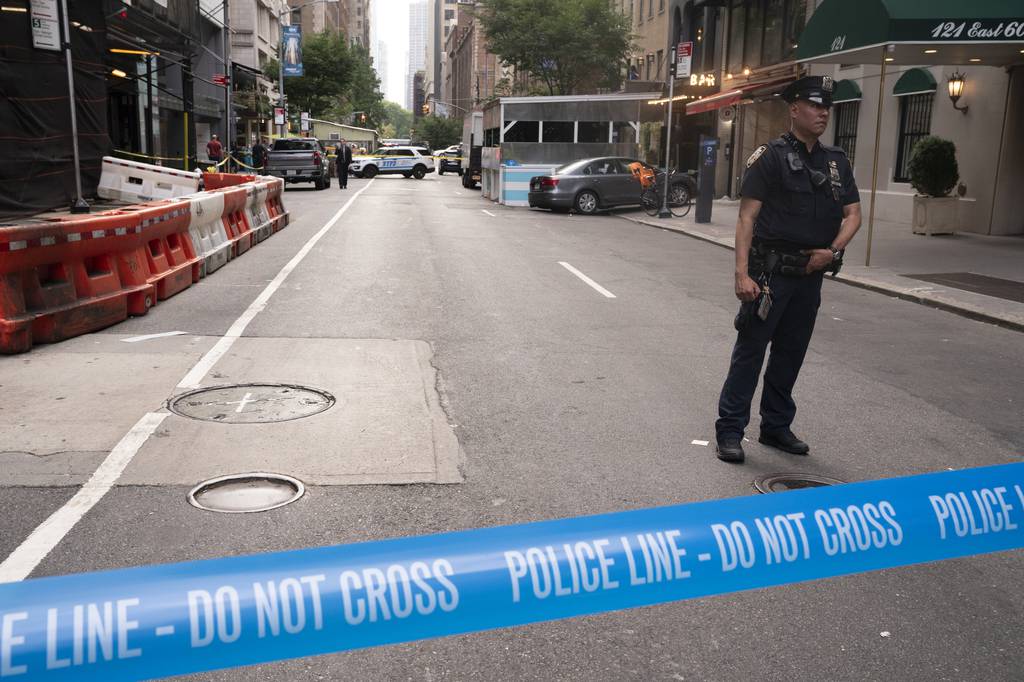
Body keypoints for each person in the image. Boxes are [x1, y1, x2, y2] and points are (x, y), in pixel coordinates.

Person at [714, 75, 862, 464]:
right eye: (815, 105)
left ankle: (775, 427)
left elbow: (854, 215)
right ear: (794, 108)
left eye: (827, 107)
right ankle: (730, 430)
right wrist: (741, 274)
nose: (823, 112)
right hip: (771, 275)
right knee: (750, 352)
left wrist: (832, 251)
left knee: (790, 354)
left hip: (810, 275)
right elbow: (747, 218)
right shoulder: (770, 157)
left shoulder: (836, 162)